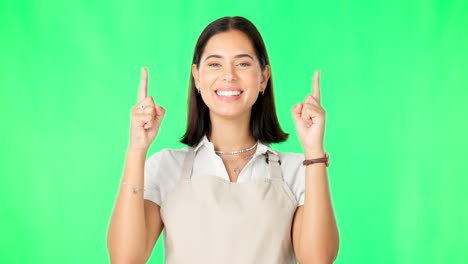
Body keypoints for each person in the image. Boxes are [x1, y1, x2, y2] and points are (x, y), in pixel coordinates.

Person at [107, 16, 339, 264]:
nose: (228, 76)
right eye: (215, 64)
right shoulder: (166, 166)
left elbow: (318, 259)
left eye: (242, 64)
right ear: (197, 77)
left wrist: (314, 149)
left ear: (263, 77)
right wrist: (136, 149)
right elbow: (125, 258)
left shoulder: (297, 170)